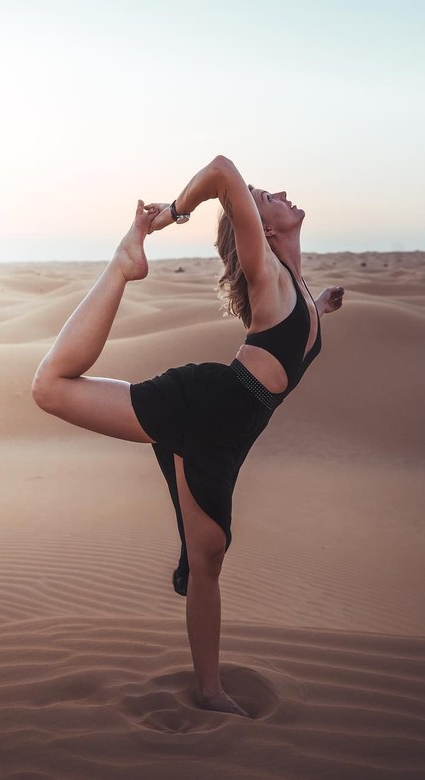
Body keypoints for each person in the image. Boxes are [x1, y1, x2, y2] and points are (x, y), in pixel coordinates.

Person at [32, 156, 344, 717]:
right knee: (50, 389)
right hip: (201, 407)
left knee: (209, 557)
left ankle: (207, 688)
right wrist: (173, 214)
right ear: (263, 228)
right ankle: (123, 265)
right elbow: (224, 170)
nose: (281, 194)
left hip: (225, 432)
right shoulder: (268, 273)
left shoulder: (296, 287)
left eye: (268, 194)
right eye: (267, 196)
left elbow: (292, 339)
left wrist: (321, 307)